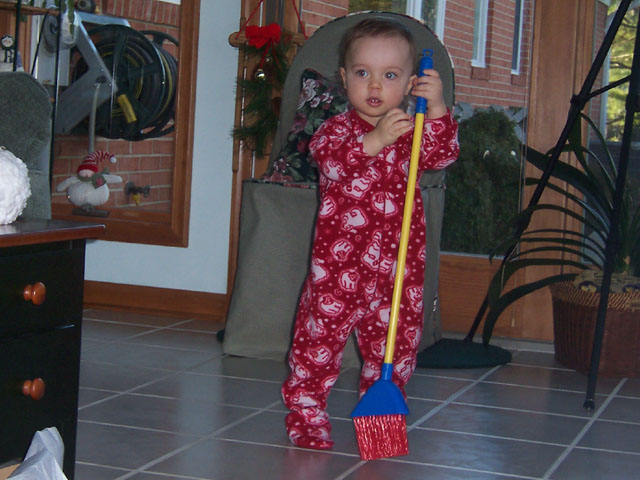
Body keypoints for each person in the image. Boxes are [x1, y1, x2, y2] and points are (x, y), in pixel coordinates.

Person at [281, 17, 459, 451]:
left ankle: (379, 422)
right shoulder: (336, 130)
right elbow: (331, 162)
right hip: (338, 271)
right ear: (345, 79)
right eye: (363, 73)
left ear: (411, 84)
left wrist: (436, 108)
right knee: (318, 344)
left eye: (390, 75)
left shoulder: (412, 129)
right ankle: (307, 413)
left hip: (399, 272)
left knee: (395, 350)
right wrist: (375, 141)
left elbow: (441, 155)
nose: (375, 85)